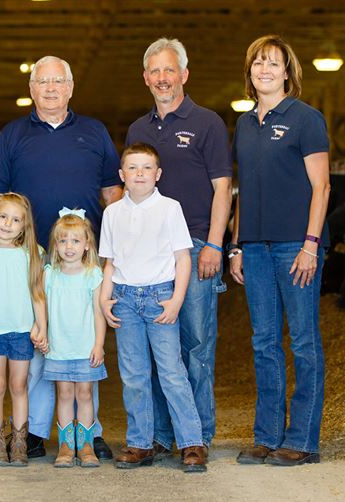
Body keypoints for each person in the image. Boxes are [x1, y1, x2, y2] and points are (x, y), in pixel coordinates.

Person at [0, 55, 121, 459]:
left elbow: (112, 194)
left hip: (80, 262)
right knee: (40, 345)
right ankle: (37, 432)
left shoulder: (94, 132)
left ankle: (88, 434)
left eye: (59, 81)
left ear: (71, 87)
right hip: (29, 260)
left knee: (82, 343)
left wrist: (110, 255)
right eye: (43, 81)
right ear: (32, 89)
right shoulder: (13, 134)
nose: (51, 88)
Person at [125, 37, 232, 460]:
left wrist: (215, 246)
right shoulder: (138, 130)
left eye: (170, 70)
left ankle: (197, 435)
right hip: (148, 258)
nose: (163, 78)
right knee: (155, 350)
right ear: (146, 78)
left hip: (195, 245)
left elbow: (223, 188)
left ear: (184, 75)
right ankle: (158, 435)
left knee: (195, 343)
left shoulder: (208, 123)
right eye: (155, 71)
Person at [229, 34, 331, 467]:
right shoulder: (244, 124)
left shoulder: (307, 119)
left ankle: (302, 441)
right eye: (258, 63)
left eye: (273, 63)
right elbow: (241, 191)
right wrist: (236, 245)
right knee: (263, 342)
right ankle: (268, 436)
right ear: (250, 73)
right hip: (254, 246)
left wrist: (310, 245)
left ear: (288, 71)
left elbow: (321, 186)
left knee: (304, 341)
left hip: (295, 246)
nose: (265, 70)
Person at [99, 143, 207, 473]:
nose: (140, 173)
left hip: (161, 296)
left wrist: (176, 299)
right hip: (126, 299)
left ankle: (191, 442)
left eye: (147, 168)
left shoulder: (170, 208)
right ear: (122, 175)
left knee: (172, 371)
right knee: (133, 374)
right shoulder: (112, 213)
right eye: (132, 168)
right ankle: (140, 443)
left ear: (158, 174)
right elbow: (110, 262)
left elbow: (182, 260)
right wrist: (105, 298)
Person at [0, 193, 48, 466]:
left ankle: (18, 442)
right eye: (3, 216)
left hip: (22, 332)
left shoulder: (33, 254)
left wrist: (42, 326)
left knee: (19, 386)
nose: (8, 224)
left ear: (24, 225)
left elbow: (38, 293)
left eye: (16, 220)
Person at [43, 209, 106, 468]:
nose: (69, 247)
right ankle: (67, 445)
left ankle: (87, 444)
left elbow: (99, 313)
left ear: (87, 244)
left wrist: (99, 344)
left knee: (85, 393)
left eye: (76, 241)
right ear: (55, 245)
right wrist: (42, 332)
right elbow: (42, 308)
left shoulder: (93, 274)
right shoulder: (49, 274)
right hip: (58, 347)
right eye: (63, 241)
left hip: (85, 347)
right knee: (65, 393)